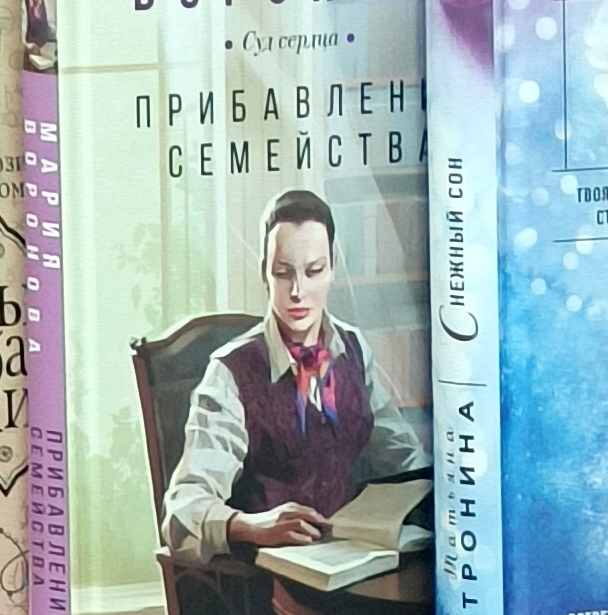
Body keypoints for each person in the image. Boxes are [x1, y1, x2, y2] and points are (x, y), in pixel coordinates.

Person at [158, 188, 428, 567]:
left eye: (313, 271)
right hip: (271, 579)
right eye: (283, 273)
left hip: (357, 563)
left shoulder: (353, 348)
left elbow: (406, 461)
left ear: (333, 268)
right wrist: (251, 525)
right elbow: (182, 512)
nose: (297, 291)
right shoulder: (230, 372)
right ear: (264, 273)